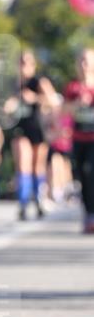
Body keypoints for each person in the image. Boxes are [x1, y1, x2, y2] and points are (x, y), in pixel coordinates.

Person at [4, 50, 58, 220]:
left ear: (33, 65)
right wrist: (10, 104)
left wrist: (34, 98)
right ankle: (23, 201)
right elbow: (5, 105)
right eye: (21, 62)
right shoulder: (13, 84)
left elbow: (53, 101)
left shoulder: (39, 82)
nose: (24, 66)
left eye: (27, 62)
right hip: (20, 127)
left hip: (37, 127)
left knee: (37, 166)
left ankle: (39, 199)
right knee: (22, 163)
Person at [63, 47, 94, 233]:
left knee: (92, 171)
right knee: (82, 174)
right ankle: (88, 212)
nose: (84, 65)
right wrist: (77, 104)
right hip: (79, 138)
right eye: (81, 61)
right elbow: (64, 110)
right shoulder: (73, 88)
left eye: (88, 61)